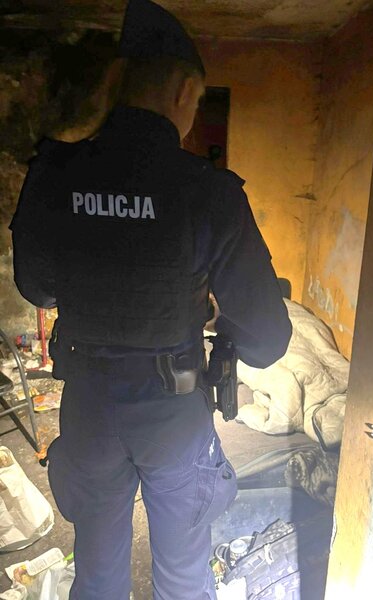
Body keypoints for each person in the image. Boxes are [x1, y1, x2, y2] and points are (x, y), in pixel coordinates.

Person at [10, 1, 292, 598]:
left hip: (89, 406)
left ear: (118, 83)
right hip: (174, 413)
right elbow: (268, 340)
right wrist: (220, 320)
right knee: (184, 577)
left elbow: (37, 287)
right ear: (185, 91)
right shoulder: (209, 192)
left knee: (98, 574)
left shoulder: (54, 171)